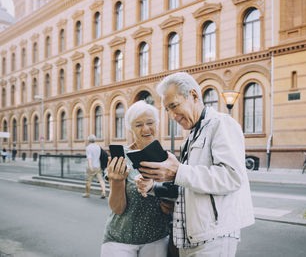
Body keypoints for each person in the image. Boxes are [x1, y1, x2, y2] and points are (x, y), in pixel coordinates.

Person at [136, 72, 255, 257]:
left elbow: (232, 177)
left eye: (174, 106)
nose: (172, 116)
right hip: (191, 239)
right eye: (167, 109)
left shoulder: (221, 124)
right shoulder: (192, 136)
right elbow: (187, 186)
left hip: (214, 238)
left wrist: (178, 171)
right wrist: (153, 186)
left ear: (193, 95)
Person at [101, 101, 172, 257]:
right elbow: (117, 208)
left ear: (158, 124)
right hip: (120, 240)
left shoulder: (169, 161)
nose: (146, 129)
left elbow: (169, 209)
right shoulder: (121, 159)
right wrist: (118, 181)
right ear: (130, 129)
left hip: (156, 239)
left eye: (150, 122)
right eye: (138, 124)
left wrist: (160, 192)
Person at [83, 134, 106, 198]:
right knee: (101, 179)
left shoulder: (88, 148)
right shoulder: (98, 147)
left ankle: (87, 193)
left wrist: (90, 166)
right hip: (98, 166)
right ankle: (103, 192)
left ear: (88, 141)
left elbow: (89, 158)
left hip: (91, 167)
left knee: (88, 181)